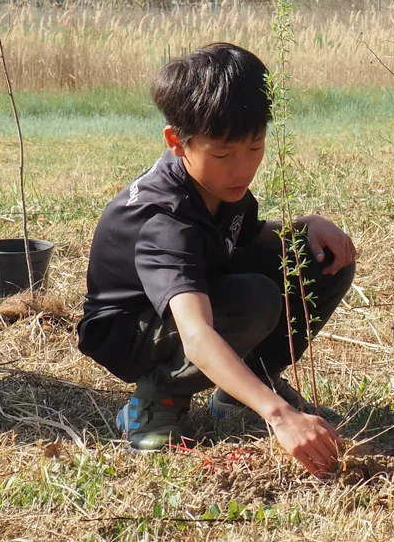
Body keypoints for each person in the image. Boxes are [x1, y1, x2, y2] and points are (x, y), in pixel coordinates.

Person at [77, 43, 357, 476]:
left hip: (198, 294)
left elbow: (243, 237)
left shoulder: (221, 190)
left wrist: (303, 225)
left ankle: (242, 387)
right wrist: (279, 416)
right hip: (132, 331)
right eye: (223, 154)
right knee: (255, 299)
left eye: (255, 148)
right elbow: (196, 333)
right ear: (177, 142)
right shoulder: (166, 221)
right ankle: (154, 401)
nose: (241, 169)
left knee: (314, 255)